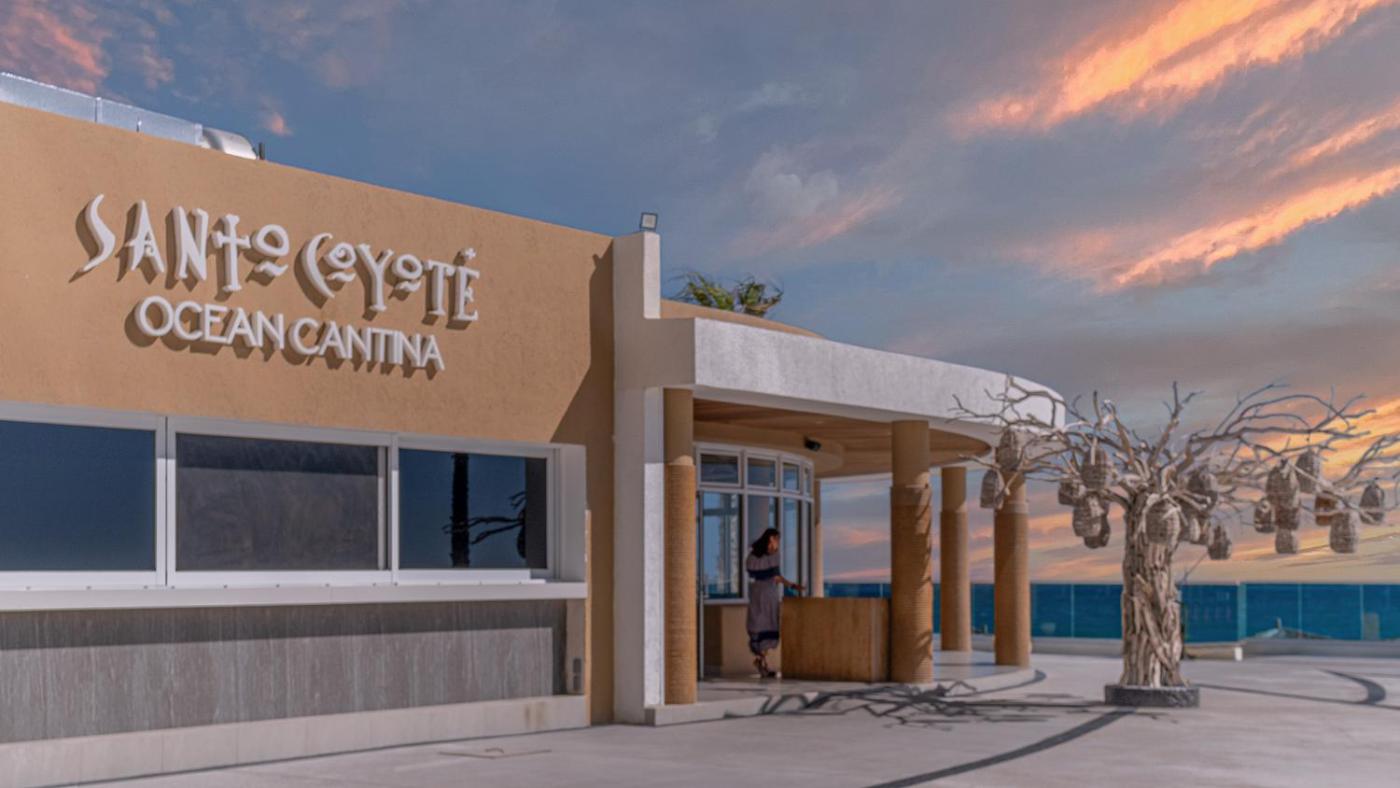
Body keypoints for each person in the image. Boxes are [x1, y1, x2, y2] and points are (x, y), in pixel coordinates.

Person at [745, 527, 804, 678]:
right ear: (771, 538)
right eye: (777, 539)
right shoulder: (755, 556)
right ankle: (761, 662)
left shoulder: (772, 556)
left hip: (768, 595)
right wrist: (790, 585)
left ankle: (762, 662)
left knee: (767, 626)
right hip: (760, 595)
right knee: (759, 626)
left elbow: (776, 576)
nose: (778, 542)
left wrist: (791, 585)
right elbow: (768, 576)